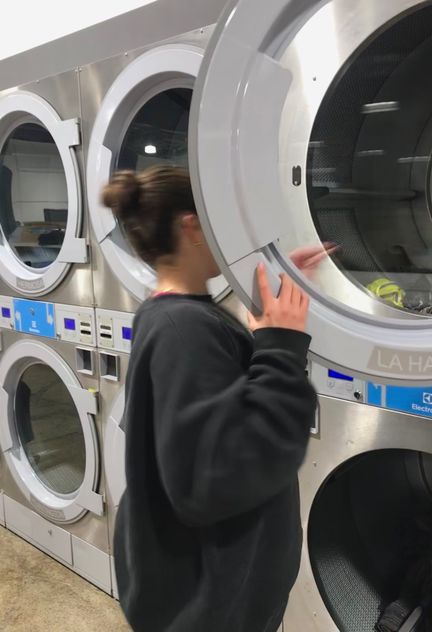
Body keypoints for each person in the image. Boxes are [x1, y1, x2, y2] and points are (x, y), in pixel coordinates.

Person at [102, 166, 324, 632]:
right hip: (212, 602)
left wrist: (273, 310)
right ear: (192, 228)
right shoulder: (186, 331)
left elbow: (214, 426)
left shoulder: (170, 316)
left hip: (200, 589)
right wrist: (280, 349)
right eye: (220, 219)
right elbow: (218, 478)